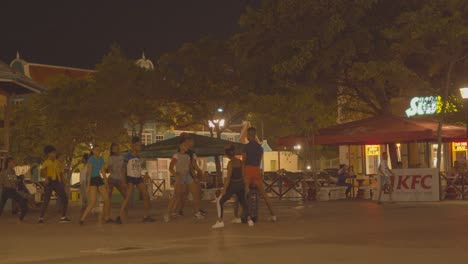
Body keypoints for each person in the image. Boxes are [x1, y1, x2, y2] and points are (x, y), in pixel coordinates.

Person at [240, 125, 276, 221]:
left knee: (245, 194)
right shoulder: (260, 148)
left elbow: (244, 161)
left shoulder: (246, 147)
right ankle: (273, 215)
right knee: (264, 194)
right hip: (256, 170)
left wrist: (243, 173)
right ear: (255, 135)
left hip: (248, 170)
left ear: (248, 135)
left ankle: (245, 215)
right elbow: (259, 160)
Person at [164, 135, 204, 222]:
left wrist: (195, 177)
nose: (187, 147)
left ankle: (197, 213)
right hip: (180, 176)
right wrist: (175, 175)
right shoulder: (176, 155)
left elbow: (190, 168)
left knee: (195, 192)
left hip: (188, 176)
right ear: (180, 146)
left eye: (187, 145)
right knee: (176, 195)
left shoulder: (188, 156)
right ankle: (168, 213)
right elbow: (171, 167)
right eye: (185, 145)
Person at [212, 145, 253, 229]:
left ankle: (220, 221)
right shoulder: (240, 162)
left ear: (227, 155)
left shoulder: (230, 163)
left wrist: (224, 189)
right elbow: (243, 175)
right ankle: (249, 220)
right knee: (243, 202)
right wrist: (246, 186)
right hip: (241, 185)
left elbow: (228, 178)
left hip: (233, 185)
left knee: (219, 201)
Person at [116, 137, 155, 224]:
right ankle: (119, 216)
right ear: (134, 145)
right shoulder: (128, 156)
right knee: (127, 197)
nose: (140, 147)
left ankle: (146, 216)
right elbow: (123, 169)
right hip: (130, 178)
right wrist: (123, 181)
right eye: (139, 145)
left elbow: (138, 168)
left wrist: (145, 176)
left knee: (146, 195)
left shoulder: (138, 156)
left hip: (138, 178)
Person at [80, 145, 113, 225]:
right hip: (91, 179)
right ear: (93, 151)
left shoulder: (101, 159)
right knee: (92, 202)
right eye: (96, 150)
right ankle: (82, 219)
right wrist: (87, 186)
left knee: (107, 199)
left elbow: (103, 172)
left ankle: (107, 217)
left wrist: (107, 184)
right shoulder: (91, 159)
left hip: (98, 178)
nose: (97, 151)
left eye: (99, 150)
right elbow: (89, 172)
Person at [38, 145, 71, 224]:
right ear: (48, 154)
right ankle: (40, 218)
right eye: (52, 153)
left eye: (55, 153)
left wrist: (65, 182)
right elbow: (42, 173)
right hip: (49, 181)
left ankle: (63, 217)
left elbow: (61, 173)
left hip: (57, 181)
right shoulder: (46, 162)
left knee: (65, 198)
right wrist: (46, 178)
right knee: (46, 200)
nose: (54, 154)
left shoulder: (57, 162)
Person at [107, 143, 127, 210]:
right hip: (112, 178)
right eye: (114, 149)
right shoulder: (110, 158)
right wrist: (108, 168)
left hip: (119, 179)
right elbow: (108, 169)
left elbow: (124, 168)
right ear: (112, 150)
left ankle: (122, 210)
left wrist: (124, 180)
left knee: (125, 195)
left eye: (116, 148)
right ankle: (107, 211)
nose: (115, 150)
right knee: (108, 195)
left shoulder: (122, 157)